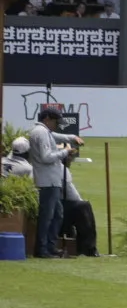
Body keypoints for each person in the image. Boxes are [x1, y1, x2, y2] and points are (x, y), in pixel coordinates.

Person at [27, 104, 80, 258]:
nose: (57, 125)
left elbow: (55, 137)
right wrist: (65, 152)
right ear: (47, 119)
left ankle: (50, 247)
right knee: (47, 216)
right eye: (55, 122)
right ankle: (43, 249)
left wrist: (71, 138)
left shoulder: (43, 131)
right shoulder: (41, 133)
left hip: (51, 180)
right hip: (47, 181)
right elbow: (46, 157)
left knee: (57, 214)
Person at [60, 155, 98, 256]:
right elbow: (72, 194)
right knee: (83, 207)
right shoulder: (61, 170)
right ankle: (88, 248)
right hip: (57, 205)